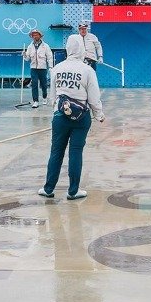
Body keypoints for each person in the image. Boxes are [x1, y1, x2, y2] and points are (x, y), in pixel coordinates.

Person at [38, 36, 105, 200]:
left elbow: (52, 96)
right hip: (81, 118)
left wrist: (57, 112)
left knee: (56, 151)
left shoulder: (57, 68)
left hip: (60, 116)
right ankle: (73, 191)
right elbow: (94, 98)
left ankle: (48, 188)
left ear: (67, 48)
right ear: (82, 49)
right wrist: (99, 115)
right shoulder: (87, 70)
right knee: (76, 152)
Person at [24, 29, 53, 109]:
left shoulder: (45, 46)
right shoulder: (30, 46)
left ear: (40, 36)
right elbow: (27, 59)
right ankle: (35, 101)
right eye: (33, 35)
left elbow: (49, 57)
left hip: (43, 68)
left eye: (36, 34)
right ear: (32, 36)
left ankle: (44, 96)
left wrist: (50, 67)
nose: (35, 36)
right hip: (33, 68)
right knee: (34, 84)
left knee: (44, 84)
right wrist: (24, 55)